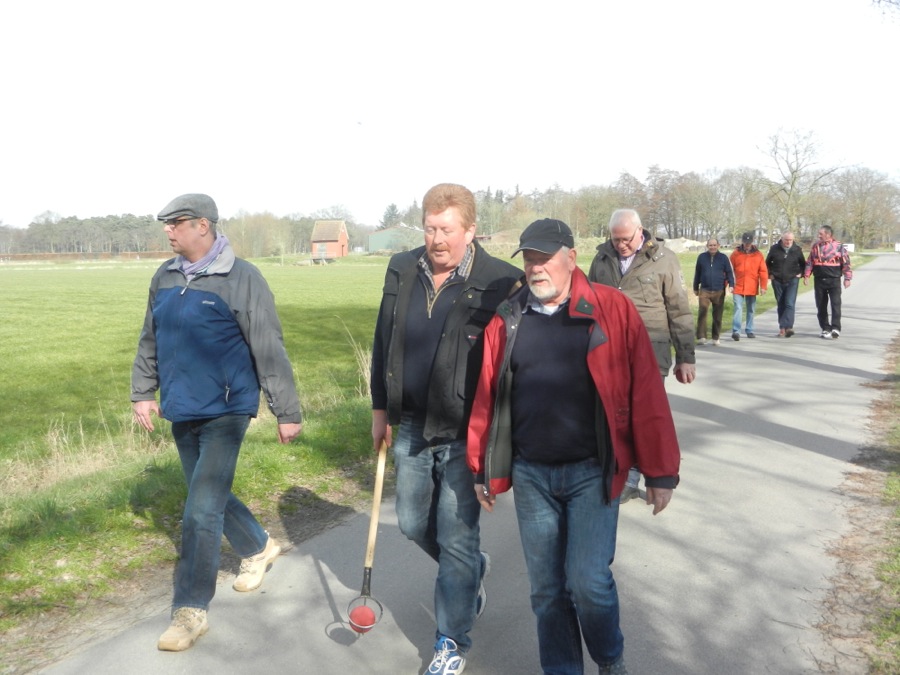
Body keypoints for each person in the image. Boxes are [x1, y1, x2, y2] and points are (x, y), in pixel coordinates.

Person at [467, 219, 680, 675]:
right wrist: (480, 465)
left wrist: (660, 471)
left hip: (592, 470)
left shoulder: (612, 309)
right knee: (547, 591)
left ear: (571, 258)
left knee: (588, 582)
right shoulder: (508, 317)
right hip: (531, 473)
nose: (535, 268)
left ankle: (610, 659)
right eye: (529, 259)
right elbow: (487, 395)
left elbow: (646, 391)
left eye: (545, 259)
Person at [131, 193, 302, 652]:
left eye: (177, 222)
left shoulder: (242, 278)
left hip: (227, 409)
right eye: (166, 223)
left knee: (200, 511)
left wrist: (286, 411)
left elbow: (268, 346)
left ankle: (190, 611)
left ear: (203, 225)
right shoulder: (164, 277)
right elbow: (150, 338)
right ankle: (259, 547)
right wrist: (143, 391)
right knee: (207, 496)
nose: (168, 230)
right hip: (182, 407)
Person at [370, 183, 521, 675]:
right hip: (412, 422)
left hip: (465, 430)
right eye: (430, 228)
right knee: (412, 524)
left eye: (447, 230)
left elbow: (512, 363)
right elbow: (383, 338)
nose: (436, 240)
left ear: (470, 230)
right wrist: (379, 408)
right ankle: (472, 569)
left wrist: (502, 440)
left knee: (456, 539)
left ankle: (450, 641)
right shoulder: (402, 268)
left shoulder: (502, 281)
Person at [588, 208, 693, 502]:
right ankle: (618, 471)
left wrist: (686, 357)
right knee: (613, 413)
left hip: (651, 350)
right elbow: (587, 303)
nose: (621, 245)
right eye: (616, 239)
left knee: (644, 416)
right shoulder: (601, 259)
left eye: (626, 239)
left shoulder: (664, 259)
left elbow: (679, 310)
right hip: (608, 352)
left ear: (640, 231)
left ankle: (638, 476)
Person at [803, 225, 852, 339]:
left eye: (821, 234)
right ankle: (825, 328)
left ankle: (835, 328)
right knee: (821, 306)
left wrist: (847, 278)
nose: (819, 236)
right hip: (819, 280)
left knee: (835, 304)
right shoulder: (816, 246)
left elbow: (846, 263)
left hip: (834, 280)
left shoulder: (839, 246)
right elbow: (810, 262)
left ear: (828, 234)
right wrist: (806, 276)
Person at [692, 238, 735, 345]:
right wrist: (695, 287)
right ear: (707, 246)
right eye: (710, 245)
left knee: (717, 315)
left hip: (719, 290)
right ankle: (701, 337)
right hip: (704, 290)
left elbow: (729, 272)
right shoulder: (701, 257)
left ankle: (716, 337)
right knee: (702, 313)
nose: (712, 247)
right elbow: (697, 273)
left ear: (718, 246)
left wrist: (731, 285)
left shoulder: (723, 258)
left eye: (714, 245)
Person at [765, 232, 806, 337]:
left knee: (789, 303)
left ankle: (788, 327)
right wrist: (770, 274)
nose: (788, 242)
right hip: (777, 280)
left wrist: (801, 273)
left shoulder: (797, 249)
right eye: (786, 240)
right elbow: (767, 263)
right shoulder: (774, 249)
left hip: (792, 279)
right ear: (782, 239)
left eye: (790, 240)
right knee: (781, 303)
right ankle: (782, 328)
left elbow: (803, 264)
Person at [729, 232, 768, 340]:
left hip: (752, 285)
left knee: (751, 309)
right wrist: (728, 284)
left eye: (749, 242)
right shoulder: (735, 254)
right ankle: (736, 331)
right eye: (745, 242)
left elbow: (763, 271)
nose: (747, 245)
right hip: (738, 285)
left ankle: (749, 330)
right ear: (742, 241)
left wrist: (763, 286)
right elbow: (729, 270)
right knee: (738, 308)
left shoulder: (758, 254)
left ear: (752, 241)